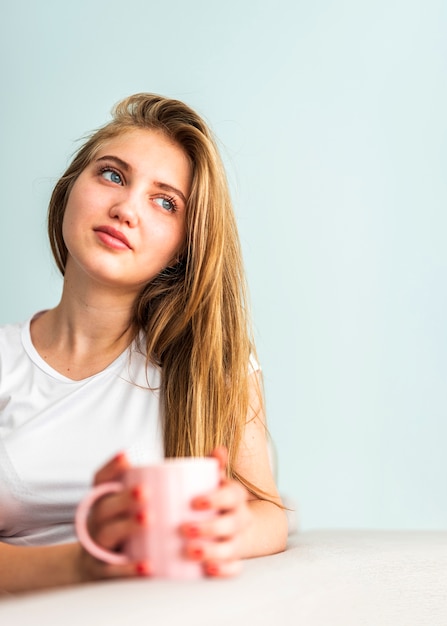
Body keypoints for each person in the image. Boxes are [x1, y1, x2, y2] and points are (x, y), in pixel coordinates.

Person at [0, 93, 288, 592]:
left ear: (183, 248)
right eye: (112, 174)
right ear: (70, 189)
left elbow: (267, 512)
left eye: (165, 202)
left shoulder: (210, 359)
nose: (125, 209)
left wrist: (221, 530)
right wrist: (87, 562)